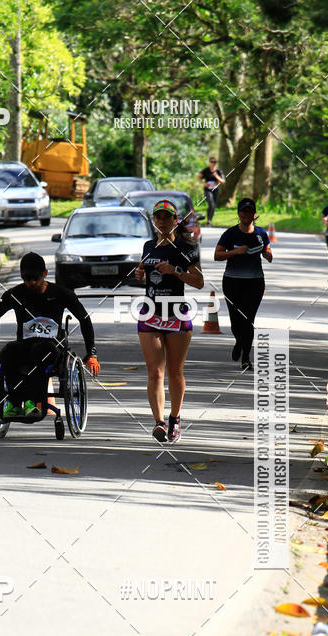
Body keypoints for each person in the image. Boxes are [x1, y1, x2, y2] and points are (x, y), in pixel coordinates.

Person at [0, 252, 100, 418]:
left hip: (52, 346)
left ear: (45, 273)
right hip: (25, 344)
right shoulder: (15, 294)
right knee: (9, 350)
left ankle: (31, 402)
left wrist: (91, 353)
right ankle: (14, 403)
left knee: (40, 350)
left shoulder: (60, 293)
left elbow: (84, 318)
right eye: (27, 278)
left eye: (35, 278)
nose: (31, 282)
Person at [134, 199, 204, 444]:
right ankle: (159, 423)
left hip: (176, 315)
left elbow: (199, 282)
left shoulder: (187, 247)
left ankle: (175, 418)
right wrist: (140, 274)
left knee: (174, 372)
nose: (162, 221)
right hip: (150, 314)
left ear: (176, 220)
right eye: (158, 217)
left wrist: (176, 271)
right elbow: (144, 271)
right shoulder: (148, 245)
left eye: (167, 217)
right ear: (154, 221)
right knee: (155, 372)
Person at [214, 198, 272, 371]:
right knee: (235, 321)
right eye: (243, 211)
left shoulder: (261, 233)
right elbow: (217, 255)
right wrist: (235, 252)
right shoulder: (231, 233)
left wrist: (267, 254)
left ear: (254, 214)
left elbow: (268, 252)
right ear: (239, 214)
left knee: (248, 320)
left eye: (249, 211)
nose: (246, 214)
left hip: (255, 282)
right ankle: (239, 341)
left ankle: (246, 358)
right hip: (232, 281)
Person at [198, 156, 225, 226]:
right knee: (211, 203)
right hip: (208, 190)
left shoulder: (218, 171)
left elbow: (223, 182)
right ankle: (208, 221)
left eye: (214, 162)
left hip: (215, 190)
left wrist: (216, 176)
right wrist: (204, 183)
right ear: (209, 162)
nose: (213, 163)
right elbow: (199, 177)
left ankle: (209, 220)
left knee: (213, 206)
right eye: (212, 162)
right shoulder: (206, 170)